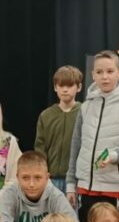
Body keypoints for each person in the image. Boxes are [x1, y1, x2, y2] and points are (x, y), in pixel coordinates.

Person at [66, 50, 119, 222]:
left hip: (113, 190)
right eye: (99, 72)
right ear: (93, 74)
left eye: (110, 71)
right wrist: (70, 184)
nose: (105, 77)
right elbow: (76, 147)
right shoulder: (85, 107)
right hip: (84, 189)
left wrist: (114, 155)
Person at [0, 150, 83, 222]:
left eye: (38, 178)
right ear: (17, 177)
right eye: (25, 178)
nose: (31, 184)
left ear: (47, 177)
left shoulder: (56, 197)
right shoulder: (10, 194)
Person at [34, 65, 84, 193]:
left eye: (70, 85)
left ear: (79, 87)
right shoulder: (46, 115)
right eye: (61, 86)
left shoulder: (85, 113)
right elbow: (40, 149)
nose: (65, 90)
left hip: (77, 179)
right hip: (51, 179)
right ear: (55, 87)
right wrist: (43, 173)